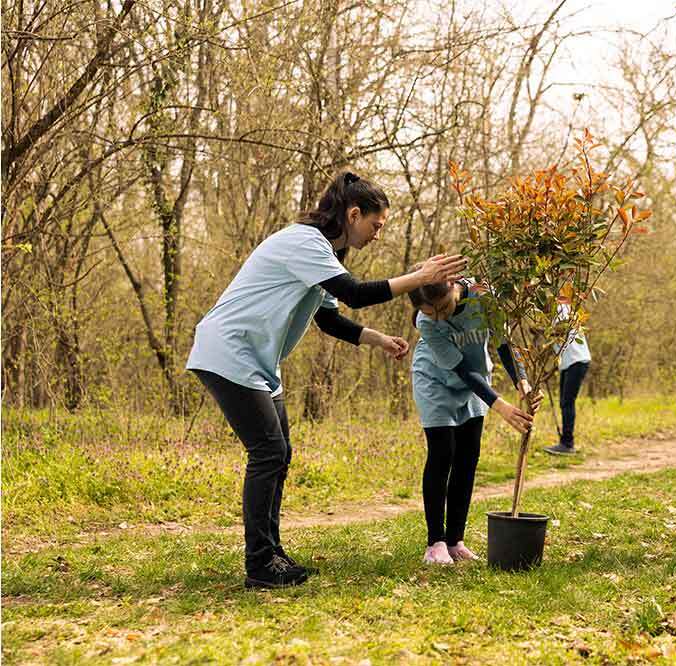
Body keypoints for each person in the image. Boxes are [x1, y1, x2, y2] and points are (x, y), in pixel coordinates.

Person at [186, 171, 466, 588]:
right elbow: (355, 293)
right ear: (354, 214)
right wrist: (420, 278)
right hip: (229, 350)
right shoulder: (304, 242)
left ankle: (272, 555)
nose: (377, 234)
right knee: (268, 452)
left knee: (278, 454)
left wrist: (377, 339)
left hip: (258, 361)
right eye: (376, 225)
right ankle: (259, 565)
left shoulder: (325, 255)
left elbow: (329, 317)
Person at [409, 276, 540, 565]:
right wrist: (500, 405)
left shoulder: (484, 298)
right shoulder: (426, 322)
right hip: (435, 380)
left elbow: (504, 342)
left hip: (477, 382)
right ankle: (435, 543)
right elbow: (461, 368)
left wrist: (522, 381)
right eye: (432, 312)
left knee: (468, 457)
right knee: (443, 454)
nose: (440, 317)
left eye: (443, 306)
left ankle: (455, 541)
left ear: (453, 287)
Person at [544, 302, 591, 455]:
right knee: (564, 402)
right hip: (568, 362)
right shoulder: (551, 312)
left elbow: (562, 329)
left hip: (576, 360)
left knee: (567, 402)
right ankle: (565, 442)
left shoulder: (561, 307)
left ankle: (567, 443)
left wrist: (543, 331)